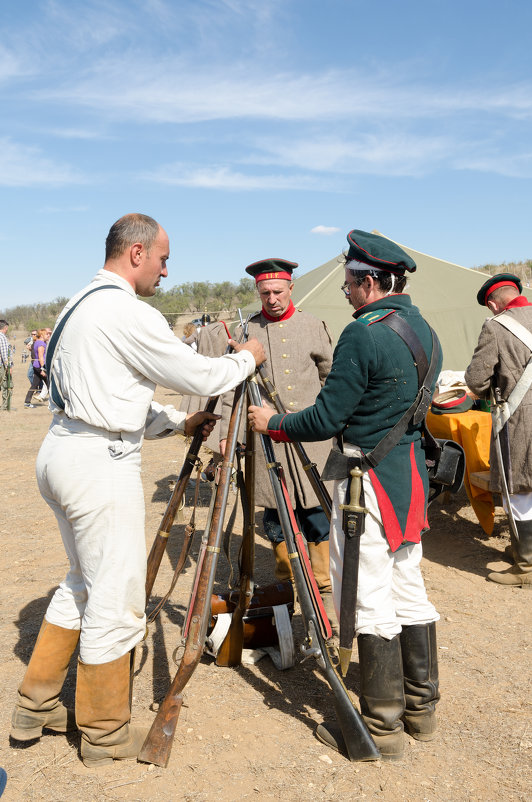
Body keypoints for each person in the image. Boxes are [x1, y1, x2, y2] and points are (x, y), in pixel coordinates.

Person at [10, 213, 265, 767]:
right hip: (97, 464)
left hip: (66, 449)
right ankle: (103, 732)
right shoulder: (125, 310)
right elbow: (200, 373)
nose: (166, 273)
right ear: (136, 253)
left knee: (81, 582)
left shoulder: (78, 302)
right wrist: (249, 358)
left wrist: (177, 424)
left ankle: (37, 704)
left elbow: (111, 392)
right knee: (117, 597)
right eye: (163, 260)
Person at [249, 230, 442, 761]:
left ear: (373, 281)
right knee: (408, 584)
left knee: (368, 594)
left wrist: (274, 422)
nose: (345, 289)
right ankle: (421, 709)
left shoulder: (362, 334)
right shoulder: (423, 327)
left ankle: (381, 726)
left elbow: (327, 417)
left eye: (352, 281)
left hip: (367, 482)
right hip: (408, 475)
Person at [219, 259, 334, 617]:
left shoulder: (314, 326)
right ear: (258, 292)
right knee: (276, 518)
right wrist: (227, 434)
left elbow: (331, 378)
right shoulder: (246, 332)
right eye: (265, 293)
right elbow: (230, 386)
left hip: (311, 437)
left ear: (291, 289)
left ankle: (324, 586)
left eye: (278, 292)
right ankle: (289, 584)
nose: (271, 299)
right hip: (265, 441)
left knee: (316, 513)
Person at [465, 273, 532, 588]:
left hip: (521, 421)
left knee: (519, 491)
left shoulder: (496, 326)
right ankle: (525, 548)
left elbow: (477, 381)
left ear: (493, 303)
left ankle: (527, 565)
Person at [24, 328, 48, 408]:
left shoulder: (36, 342)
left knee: (34, 385)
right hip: (40, 366)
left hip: (36, 365)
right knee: (49, 384)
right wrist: (42, 369)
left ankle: (27, 402)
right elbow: (41, 356)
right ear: (41, 335)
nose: (48, 336)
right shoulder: (41, 344)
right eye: (46, 334)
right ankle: (57, 403)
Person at [0, 319, 13, 410]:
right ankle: (5, 406)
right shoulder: (2, 337)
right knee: (6, 385)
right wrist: (8, 366)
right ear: (5, 327)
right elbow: (5, 353)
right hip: (2, 366)